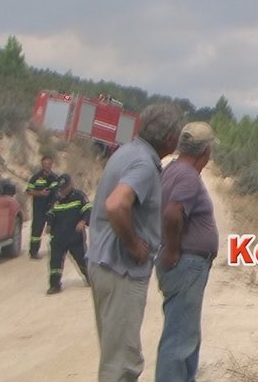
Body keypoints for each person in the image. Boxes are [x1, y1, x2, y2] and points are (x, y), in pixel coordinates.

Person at [87, 103, 183, 382]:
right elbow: (117, 205)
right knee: (122, 364)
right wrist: (132, 243)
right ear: (170, 139)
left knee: (113, 355)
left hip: (106, 264)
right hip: (121, 270)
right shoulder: (143, 163)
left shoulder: (128, 151)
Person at [155, 121, 220, 382]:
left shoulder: (172, 170)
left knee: (185, 335)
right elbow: (173, 213)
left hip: (184, 264)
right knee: (180, 340)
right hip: (187, 264)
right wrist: (172, 250)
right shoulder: (187, 176)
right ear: (205, 151)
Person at [45, 173, 90, 294]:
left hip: (74, 236)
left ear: (71, 185)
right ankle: (54, 285)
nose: (62, 191)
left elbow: (88, 210)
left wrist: (83, 221)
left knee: (82, 260)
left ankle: (91, 279)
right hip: (59, 236)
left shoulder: (79, 196)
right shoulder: (56, 198)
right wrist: (49, 225)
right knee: (55, 262)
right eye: (61, 189)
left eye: (64, 188)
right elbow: (50, 213)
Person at [26, 155, 59, 259]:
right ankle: (33, 252)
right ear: (42, 164)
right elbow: (28, 191)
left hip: (52, 207)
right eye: (45, 164)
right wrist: (40, 193)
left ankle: (57, 251)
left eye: (49, 164)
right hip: (39, 208)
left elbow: (59, 191)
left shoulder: (55, 178)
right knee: (36, 230)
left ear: (52, 164)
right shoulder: (36, 177)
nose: (47, 166)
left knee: (55, 230)